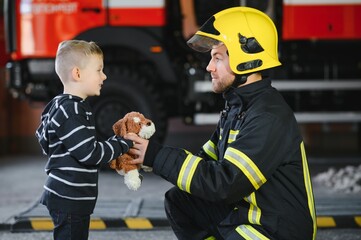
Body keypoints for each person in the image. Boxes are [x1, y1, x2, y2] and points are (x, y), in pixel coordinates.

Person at [126, 7, 317, 240]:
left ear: (247, 61)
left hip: (273, 231)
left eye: (218, 58)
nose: (209, 67)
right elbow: (205, 162)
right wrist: (145, 157)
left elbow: (224, 184)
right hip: (251, 216)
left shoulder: (267, 116)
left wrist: (156, 156)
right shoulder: (238, 108)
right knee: (180, 200)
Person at [35, 40, 132, 240]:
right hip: (68, 197)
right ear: (77, 74)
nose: (104, 76)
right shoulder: (71, 110)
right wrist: (122, 143)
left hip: (71, 197)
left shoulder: (66, 106)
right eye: (99, 70)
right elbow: (90, 153)